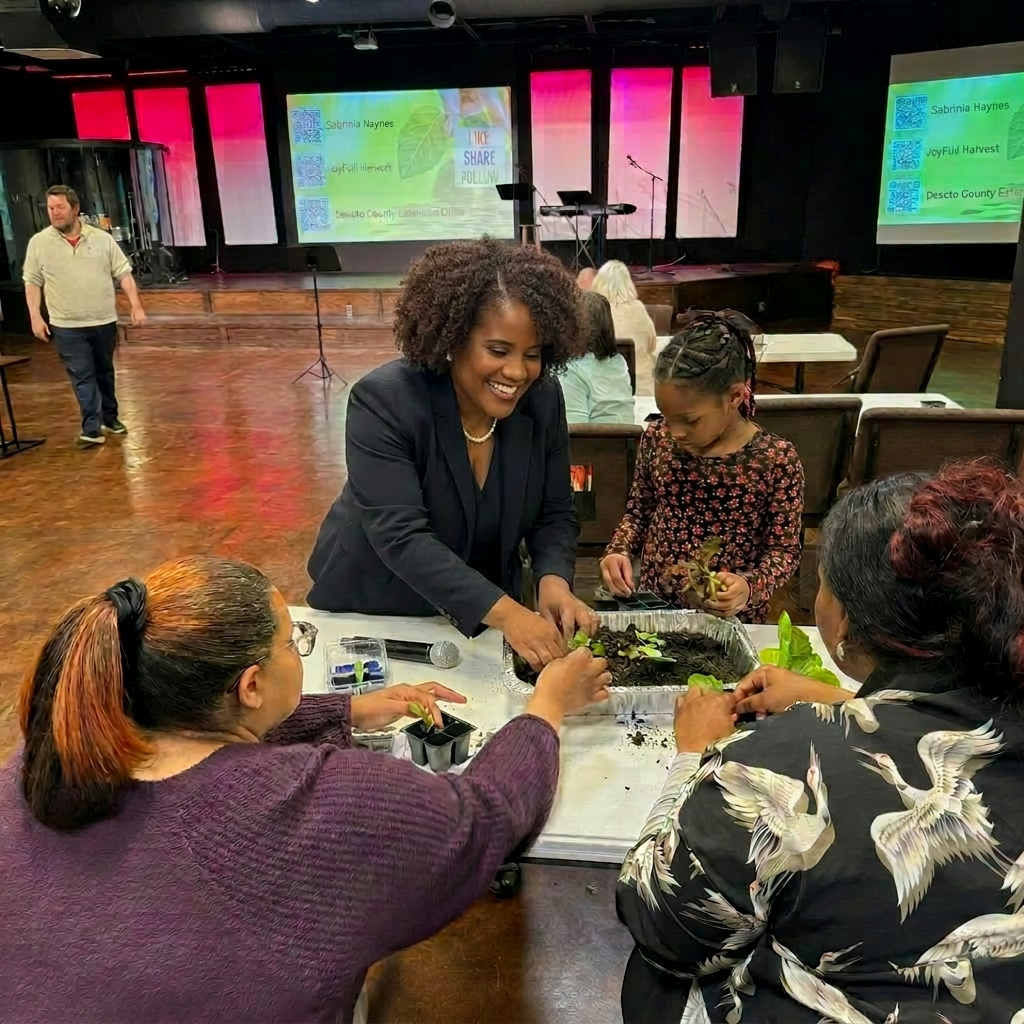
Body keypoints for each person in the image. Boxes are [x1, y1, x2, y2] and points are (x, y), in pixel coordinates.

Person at [0, 556, 612, 1023]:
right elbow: (484, 817)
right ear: (249, 686)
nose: (298, 653)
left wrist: (347, 711)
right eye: (293, 643)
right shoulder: (323, 806)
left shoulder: (49, 758)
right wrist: (546, 709)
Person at [617, 462, 1024, 1024]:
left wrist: (694, 756)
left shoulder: (792, 765)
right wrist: (845, 699)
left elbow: (663, 924)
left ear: (844, 625)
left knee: (654, 973)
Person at [308, 239, 598, 671]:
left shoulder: (543, 399)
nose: (518, 372)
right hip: (380, 611)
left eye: (533, 355)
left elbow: (555, 511)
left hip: (484, 617)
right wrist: (511, 614)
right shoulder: (384, 401)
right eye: (498, 351)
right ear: (453, 338)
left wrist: (552, 579)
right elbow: (401, 537)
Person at [599, 309, 803, 623]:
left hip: (730, 619)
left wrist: (749, 587)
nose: (676, 432)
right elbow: (639, 512)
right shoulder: (657, 438)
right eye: (667, 416)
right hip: (656, 610)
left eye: (690, 420)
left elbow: (784, 551)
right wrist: (618, 550)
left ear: (735, 395)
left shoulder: (775, 460)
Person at [23, 184, 147, 448]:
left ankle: (110, 418)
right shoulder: (39, 243)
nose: (55, 213)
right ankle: (91, 428)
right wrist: (35, 315)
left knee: (104, 371)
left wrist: (135, 305)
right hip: (66, 325)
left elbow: (123, 273)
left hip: (103, 321)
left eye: (60, 207)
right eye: (50, 208)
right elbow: (32, 281)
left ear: (75, 209)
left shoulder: (102, 239)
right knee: (82, 375)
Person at [560, 291, 635, 424]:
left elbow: (575, 427)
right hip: (627, 440)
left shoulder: (570, 369)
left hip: (596, 442)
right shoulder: (619, 361)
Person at [590, 260, 657, 396]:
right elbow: (651, 345)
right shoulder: (638, 308)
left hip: (604, 391)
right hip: (643, 389)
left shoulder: (595, 312)